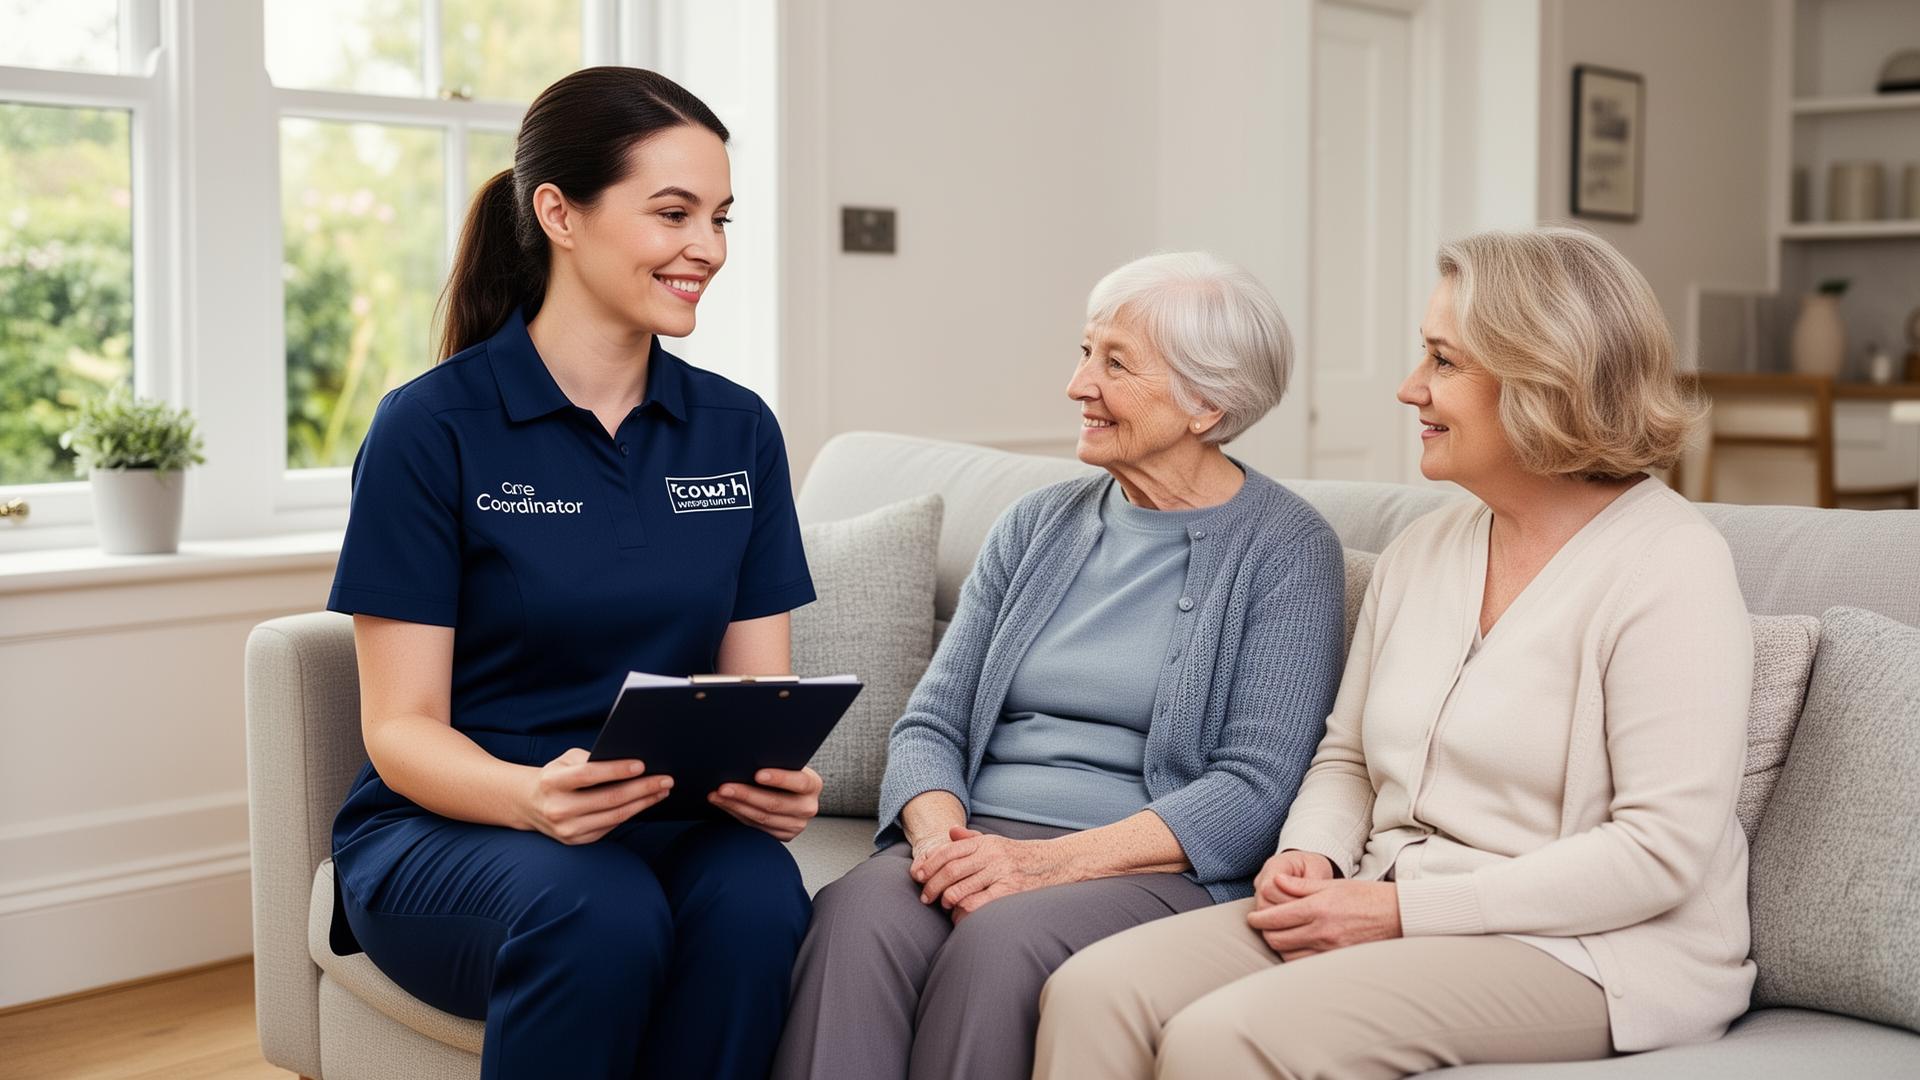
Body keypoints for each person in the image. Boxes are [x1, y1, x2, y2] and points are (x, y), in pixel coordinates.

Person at [1035, 226, 1756, 1079]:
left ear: (1544, 379)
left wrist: (1404, 911)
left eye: (1443, 362)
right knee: (1093, 990)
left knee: (1226, 1039)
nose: (1412, 389)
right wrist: (1312, 854)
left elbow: (1659, 852)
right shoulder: (1426, 549)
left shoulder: (1671, 566)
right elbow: (1346, 759)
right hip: (1377, 896)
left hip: (1593, 952)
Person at [324, 67, 822, 1080]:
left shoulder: (739, 429)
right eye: (673, 213)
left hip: (665, 823)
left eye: (721, 218)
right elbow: (401, 727)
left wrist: (773, 780)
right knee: (598, 906)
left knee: (762, 895)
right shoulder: (431, 429)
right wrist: (526, 798)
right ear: (558, 211)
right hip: (453, 829)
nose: (707, 250)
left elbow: (747, 694)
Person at [773, 252, 1348, 1080]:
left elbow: (1254, 789)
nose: (1079, 385)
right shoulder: (1036, 523)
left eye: (1115, 363)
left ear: (1207, 403)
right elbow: (932, 719)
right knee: (855, 913)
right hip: (974, 837)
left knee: (1000, 945)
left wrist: (1039, 866)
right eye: (1085, 353)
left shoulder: (1287, 551)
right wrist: (943, 845)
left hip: (1138, 864)